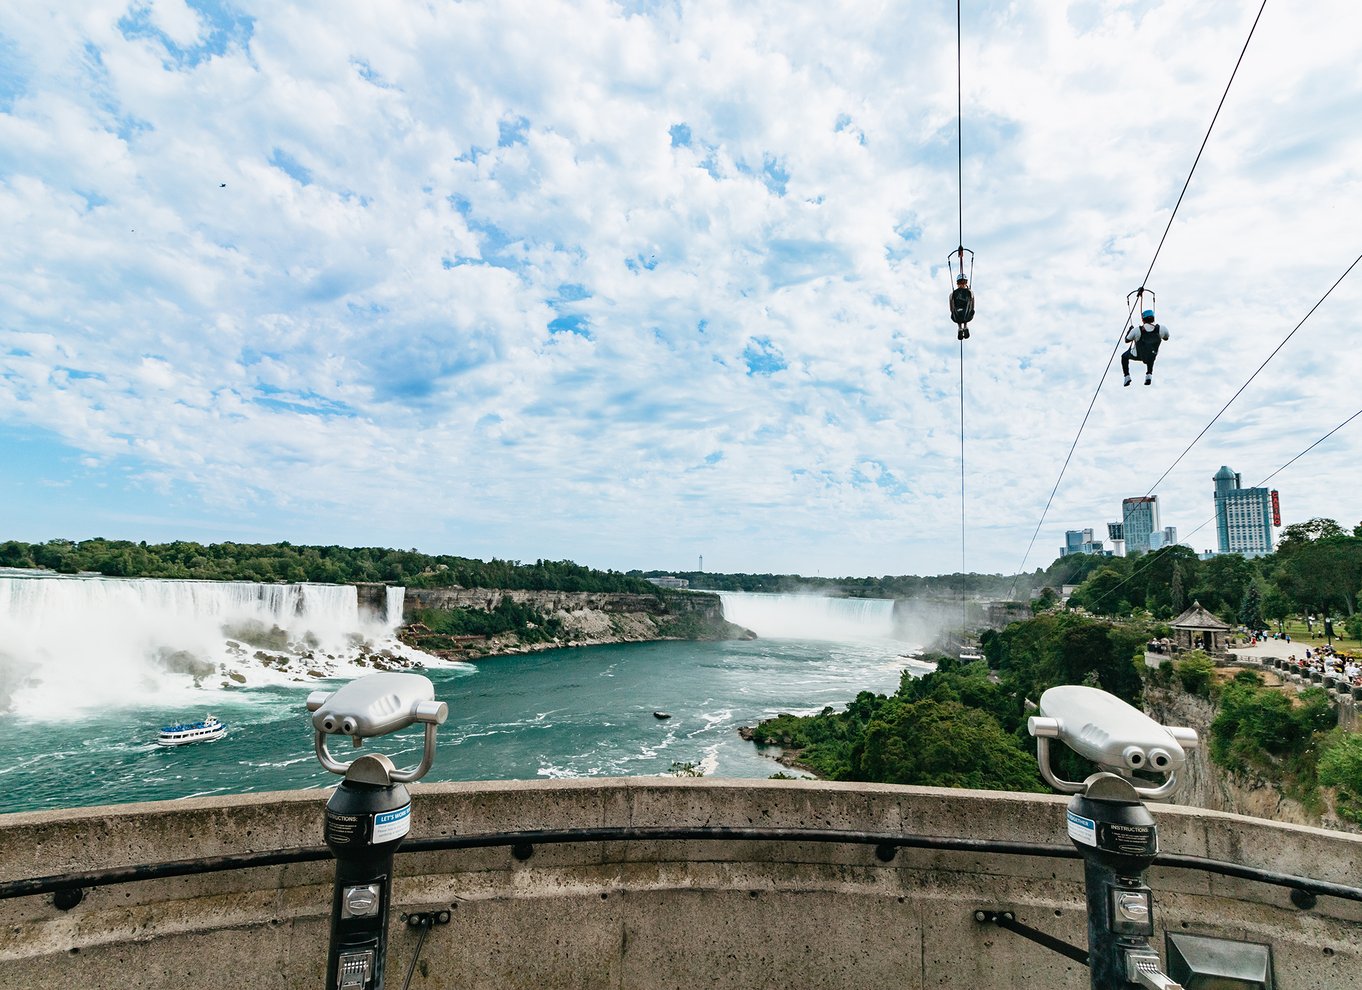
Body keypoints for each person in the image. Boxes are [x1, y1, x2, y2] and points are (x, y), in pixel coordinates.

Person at [1121, 309, 1169, 386]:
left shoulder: (1137, 330)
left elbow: (1127, 340)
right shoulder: (1162, 329)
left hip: (1138, 355)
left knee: (1124, 356)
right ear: (1153, 318)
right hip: (1151, 355)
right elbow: (1166, 338)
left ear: (1143, 320)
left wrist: (1130, 330)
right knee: (1151, 355)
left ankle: (1127, 376)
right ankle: (1149, 375)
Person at [950, 273, 975, 341]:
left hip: (957, 314)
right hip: (967, 314)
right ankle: (965, 327)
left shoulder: (953, 294)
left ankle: (960, 328)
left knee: (958, 314)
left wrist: (952, 312)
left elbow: (951, 305)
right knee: (966, 313)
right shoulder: (969, 292)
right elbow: (972, 303)